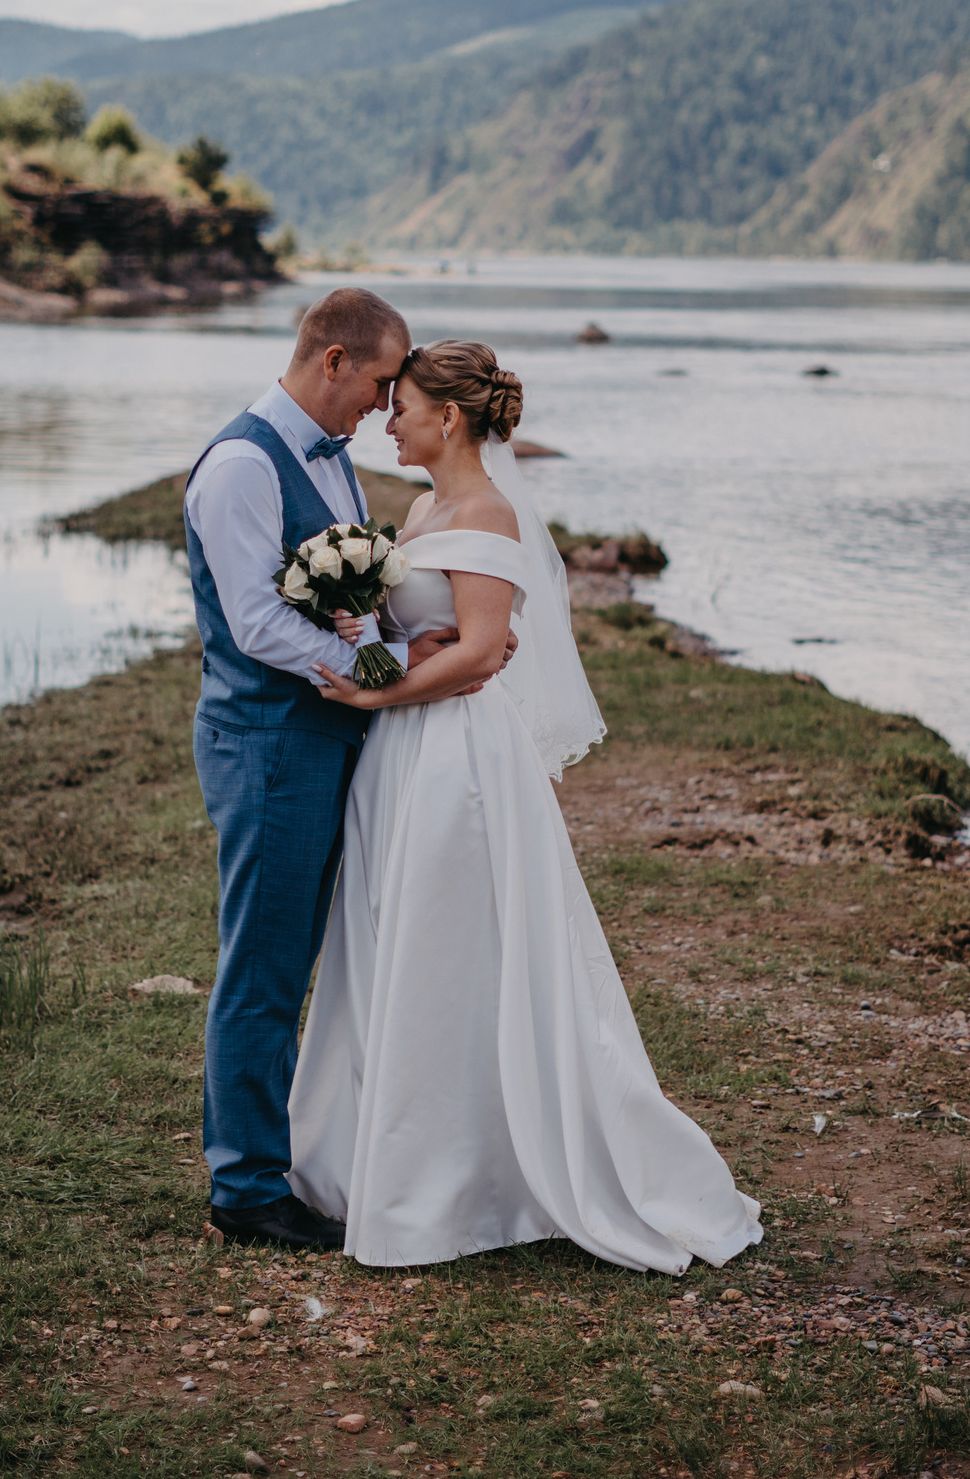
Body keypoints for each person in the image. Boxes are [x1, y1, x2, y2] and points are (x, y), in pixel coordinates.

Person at [288, 341, 762, 1273]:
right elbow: (427, 636)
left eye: (404, 406)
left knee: (453, 948)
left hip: (458, 758)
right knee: (394, 937)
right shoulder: (423, 507)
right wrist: (364, 633)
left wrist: (370, 693)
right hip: (404, 752)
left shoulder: (490, 514)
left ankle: (461, 1181)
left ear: (448, 418)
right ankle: (386, 1158)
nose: (389, 419)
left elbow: (477, 653)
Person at [180, 287, 412, 1251]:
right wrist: (395, 673)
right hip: (269, 743)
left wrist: (408, 635)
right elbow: (260, 622)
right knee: (265, 964)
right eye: (380, 383)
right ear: (334, 362)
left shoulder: (335, 464)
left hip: (321, 739)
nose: (384, 405)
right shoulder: (241, 466)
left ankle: (281, 1156)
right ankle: (243, 1188)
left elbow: (346, 602)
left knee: (305, 956)